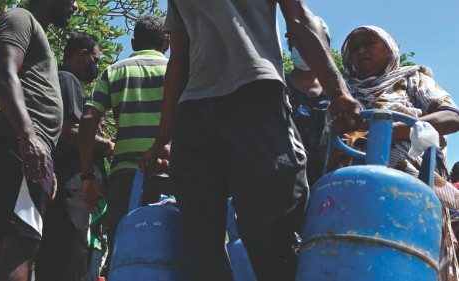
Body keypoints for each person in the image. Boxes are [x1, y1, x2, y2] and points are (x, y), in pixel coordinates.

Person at [138, 1, 362, 280]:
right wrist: (163, 138)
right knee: (221, 236)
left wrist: (338, 92)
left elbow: (300, 20)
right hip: (219, 105)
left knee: (243, 233)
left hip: (233, 102)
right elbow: (179, 58)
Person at [338, 25, 459, 281]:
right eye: (354, 49)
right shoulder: (345, 94)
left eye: (368, 43)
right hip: (356, 189)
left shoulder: (412, 79)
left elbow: (451, 116)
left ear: (389, 49)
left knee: (414, 256)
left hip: (417, 185)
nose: (361, 51)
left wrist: (393, 131)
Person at [0, 1, 77, 281]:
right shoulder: (21, 18)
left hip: (25, 144)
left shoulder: (38, 33)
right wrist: (29, 136)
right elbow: (5, 74)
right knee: (22, 243)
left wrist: (45, 156)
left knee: (3, 246)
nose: (76, 5)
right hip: (17, 141)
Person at [78, 14, 170, 270]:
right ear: (167, 43)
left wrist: (87, 175)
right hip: (169, 174)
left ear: (132, 43)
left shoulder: (114, 71)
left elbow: (88, 119)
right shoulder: (177, 72)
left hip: (125, 180)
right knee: (170, 252)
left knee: (123, 254)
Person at [35, 33, 113, 281]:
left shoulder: (62, 80)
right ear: (82, 54)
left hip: (67, 186)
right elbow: (68, 130)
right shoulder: (67, 79)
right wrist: (107, 144)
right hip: (70, 185)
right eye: (96, 59)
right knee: (68, 256)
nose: (96, 65)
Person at [286, 18, 331, 186]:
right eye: (297, 41)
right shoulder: (280, 87)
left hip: (329, 175)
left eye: (312, 41)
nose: (304, 48)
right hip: (287, 177)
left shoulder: (338, 91)